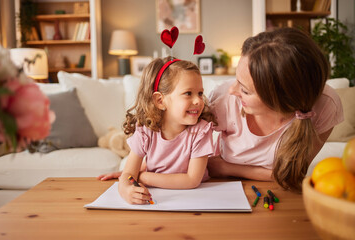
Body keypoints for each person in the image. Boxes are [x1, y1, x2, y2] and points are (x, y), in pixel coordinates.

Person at [207, 27, 343, 192]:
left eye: (245, 90)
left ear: (279, 99)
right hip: (223, 187)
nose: (232, 90)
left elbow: (292, 175)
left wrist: (225, 167)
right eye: (236, 79)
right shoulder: (224, 99)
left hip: (279, 192)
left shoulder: (326, 105)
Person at [98, 56, 216, 204]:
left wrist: (142, 176)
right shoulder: (145, 132)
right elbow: (128, 174)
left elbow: (192, 180)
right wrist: (126, 191)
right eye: (188, 93)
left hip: (196, 198)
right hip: (158, 199)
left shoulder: (201, 131)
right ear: (160, 101)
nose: (199, 100)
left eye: (200, 93)